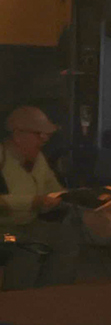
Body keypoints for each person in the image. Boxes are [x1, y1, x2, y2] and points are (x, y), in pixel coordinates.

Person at [2, 106, 81, 288]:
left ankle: (51, 295)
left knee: (67, 238)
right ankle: (17, 300)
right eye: (39, 134)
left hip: (26, 225)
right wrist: (32, 201)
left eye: (47, 135)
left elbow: (53, 188)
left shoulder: (38, 159)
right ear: (18, 134)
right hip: (5, 232)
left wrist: (71, 198)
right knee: (27, 244)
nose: (44, 139)